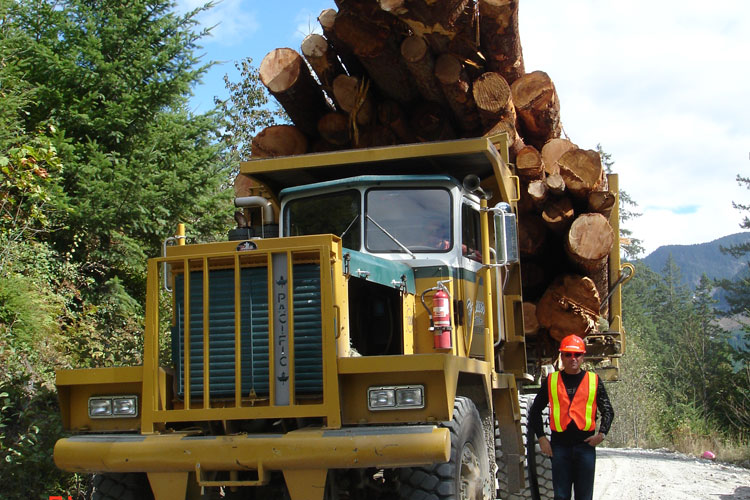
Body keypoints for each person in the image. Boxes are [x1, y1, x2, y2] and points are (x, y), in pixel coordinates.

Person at [529, 334, 614, 500]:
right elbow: (535, 411)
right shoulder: (552, 381)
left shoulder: (593, 381)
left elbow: (608, 411)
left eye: (577, 355)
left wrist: (602, 434)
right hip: (560, 447)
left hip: (585, 446)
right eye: (568, 354)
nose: (572, 358)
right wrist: (541, 438)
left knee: (584, 497)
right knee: (561, 496)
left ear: (583, 357)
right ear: (562, 356)